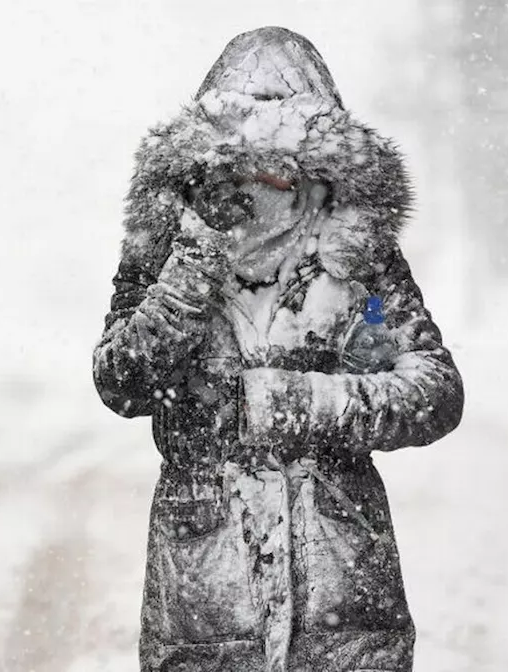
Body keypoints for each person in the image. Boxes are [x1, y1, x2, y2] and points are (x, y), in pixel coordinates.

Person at [92, 26, 464, 672]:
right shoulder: (167, 249)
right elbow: (121, 382)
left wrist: (292, 402)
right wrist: (191, 267)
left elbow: (433, 391)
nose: (265, 173)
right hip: (207, 611)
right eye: (244, 150)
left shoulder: (356, 259)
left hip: (343, 611)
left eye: (284, 150)